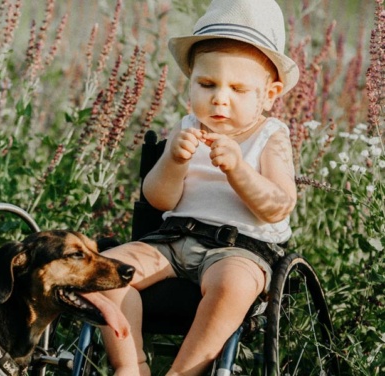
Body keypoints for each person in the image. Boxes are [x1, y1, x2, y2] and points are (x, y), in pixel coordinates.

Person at [98, 0, 300, 375]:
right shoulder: (187, 126)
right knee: (107, 273)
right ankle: (131, 365)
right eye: (206, 84)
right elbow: (158, 198)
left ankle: (183, 371)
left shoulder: (270, 136)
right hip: (173, 238)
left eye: (238, 89)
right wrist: (174, 160)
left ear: (269, 95)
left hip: (238, 248)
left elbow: (278, 205)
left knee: (234, 286)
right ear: (190, 81)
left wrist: (240, 170)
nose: (219, 98)